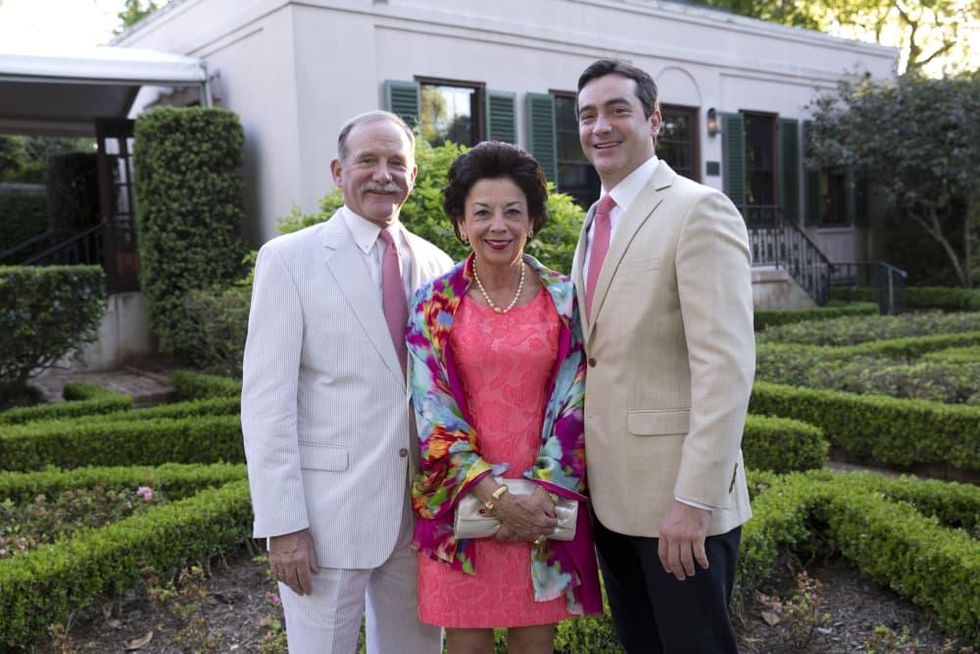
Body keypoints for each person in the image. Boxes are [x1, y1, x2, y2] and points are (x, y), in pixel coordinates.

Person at [241, 110, 451, 654]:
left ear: (414, 176)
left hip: (420, 519)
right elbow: (267, 404)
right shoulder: (289, 259)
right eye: (367, 161)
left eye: (396, 162)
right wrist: (283, 525)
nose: (383, 174)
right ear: (339, 171)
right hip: (327, 520)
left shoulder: (437, 264)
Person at [572, 59, 756, 653]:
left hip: (679, 506)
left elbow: (725, 368)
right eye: (588, 115)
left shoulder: (698, 210)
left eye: (617, 110)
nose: (601, 126)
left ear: (653, 121)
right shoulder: (594, 222)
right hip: (613, 501)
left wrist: (694, 500)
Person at [407, 141, 602, 654]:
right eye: (483, 213)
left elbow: (575, 401)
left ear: (533, 221)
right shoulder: (432, 304)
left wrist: (540, 492)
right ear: (459, 223)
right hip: (460, 507)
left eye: (513, 212)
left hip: (543, 508)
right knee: (466, 647)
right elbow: (433, 410)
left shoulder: (565, 300)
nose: (499, 225)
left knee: (534, 646)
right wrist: (492, 495)